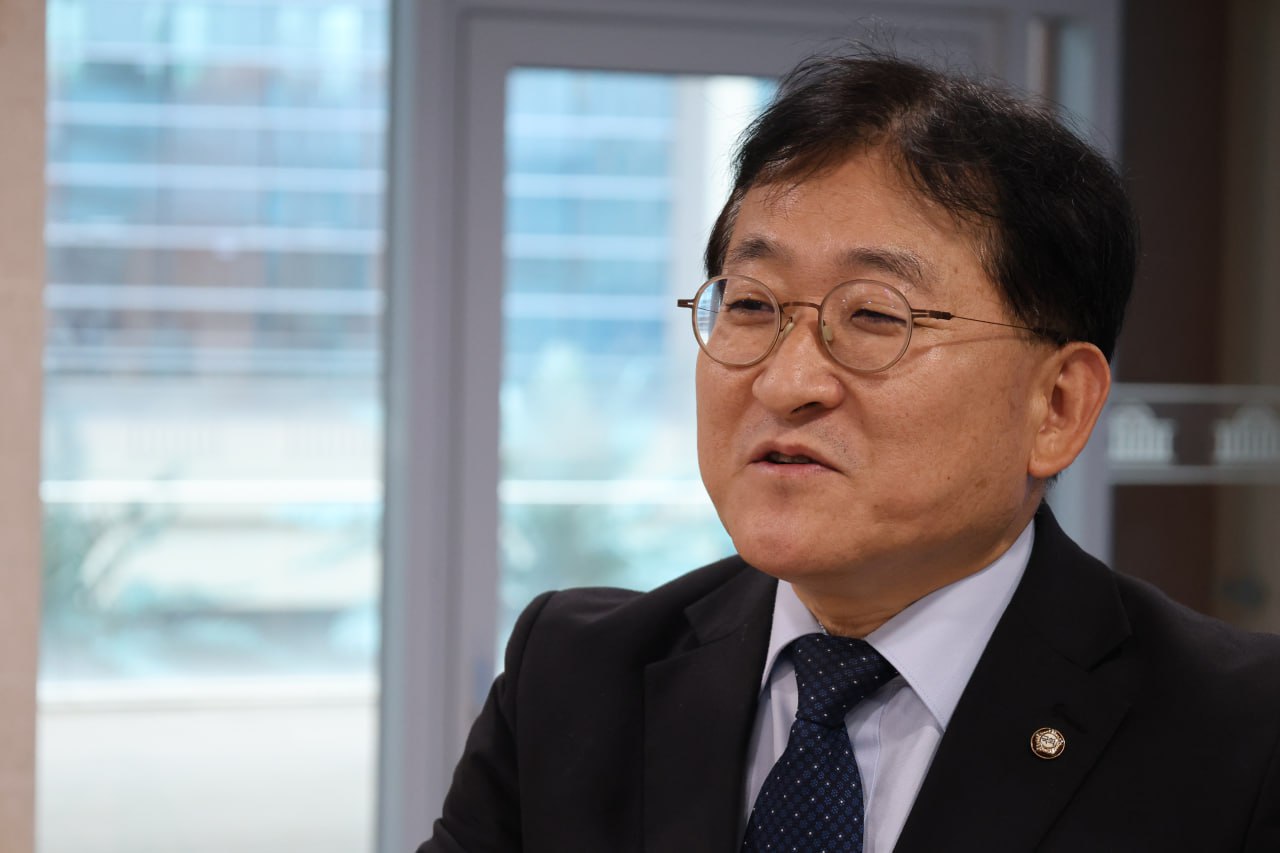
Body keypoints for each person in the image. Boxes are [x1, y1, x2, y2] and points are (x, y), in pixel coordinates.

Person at [421, 51, 1280, 853]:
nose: (786, 380)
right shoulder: (572, 680)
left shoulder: (1239, 738)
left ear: (1057, 405)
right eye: (751, 305)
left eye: (873, 316)